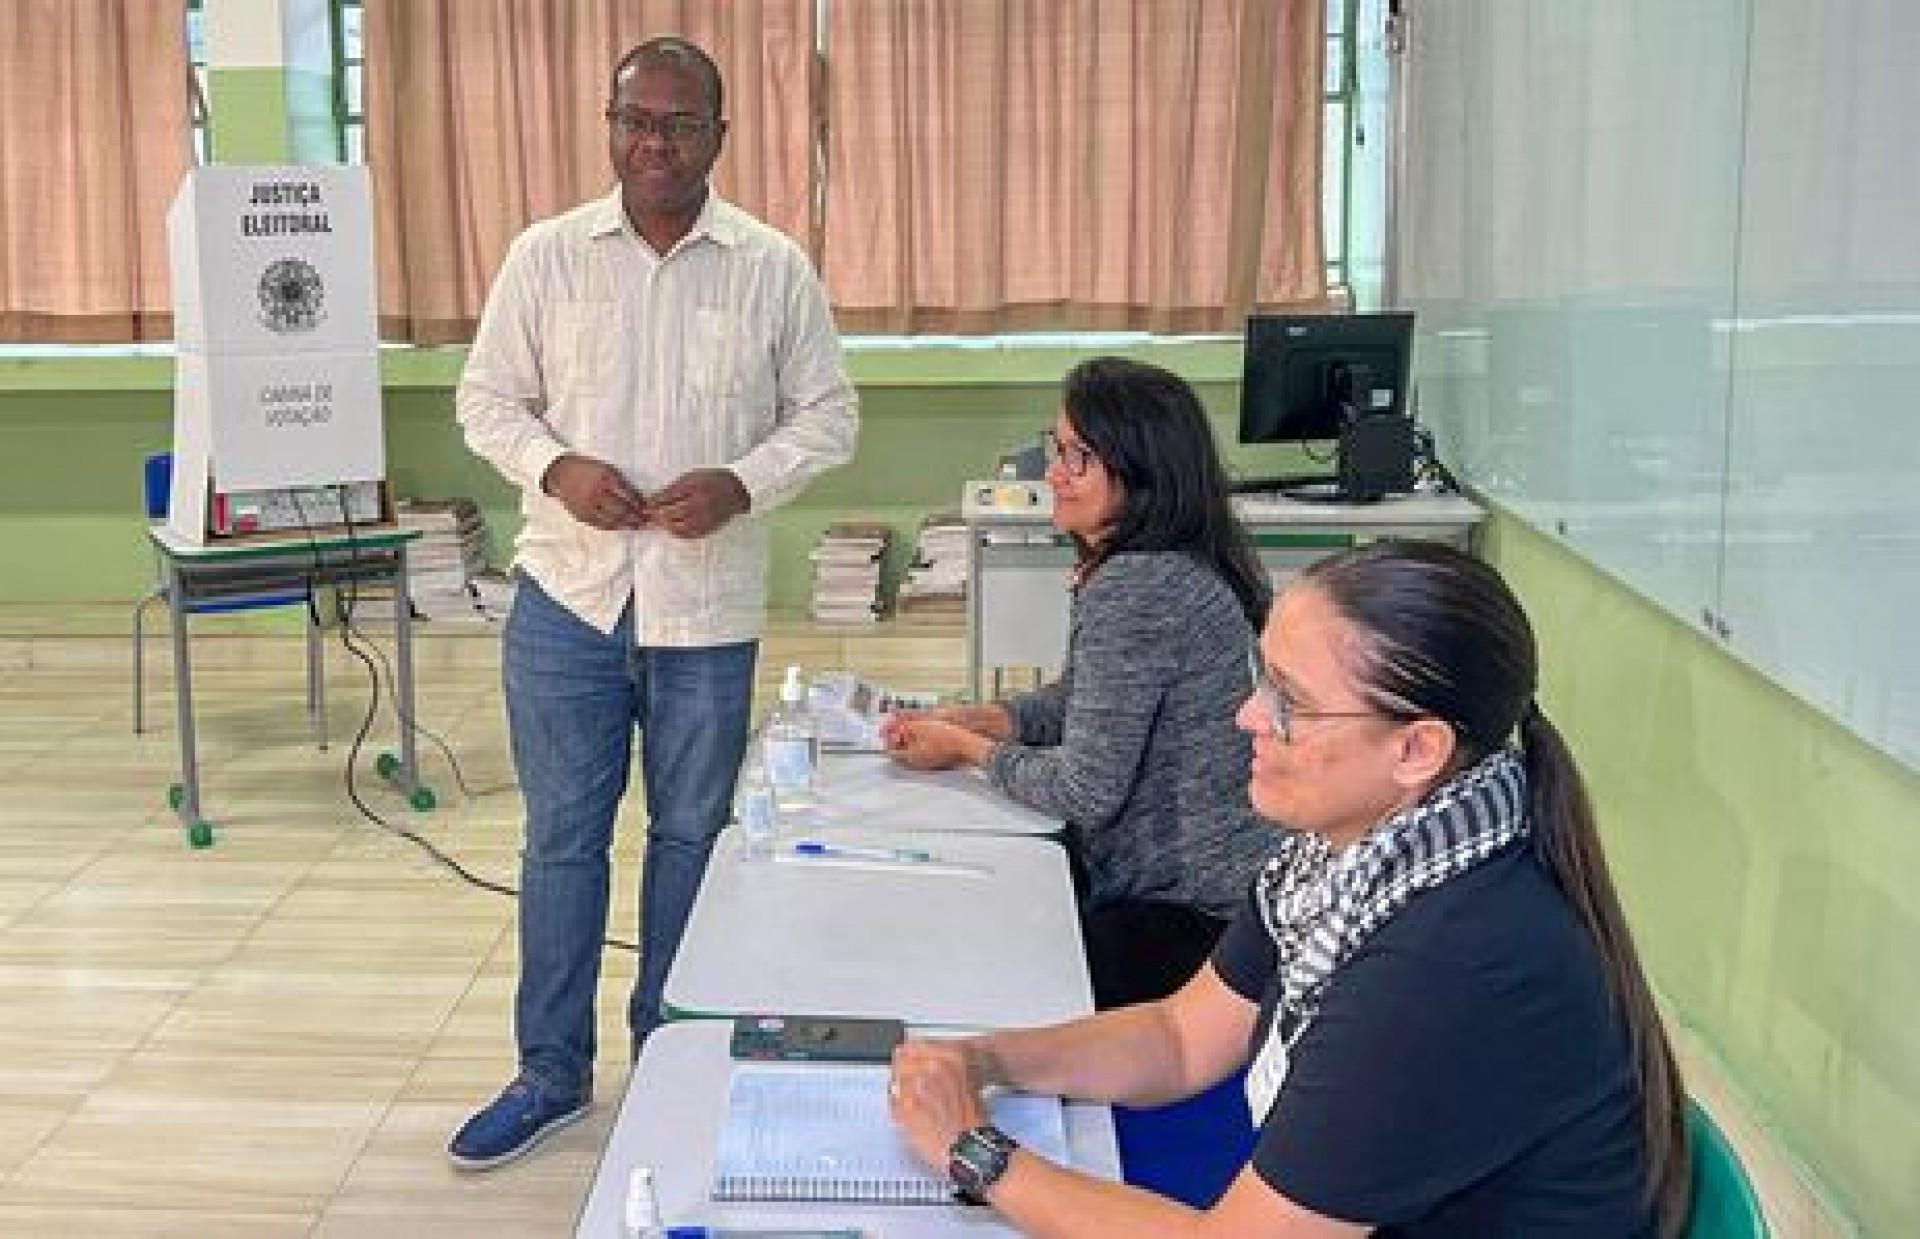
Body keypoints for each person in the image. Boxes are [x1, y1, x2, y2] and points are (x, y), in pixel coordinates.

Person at [887, 540, 1693, 1238]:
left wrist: (976, 1151)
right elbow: (1179, 1036)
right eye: (1259, 678)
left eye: (1291, 702)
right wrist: (983, 1056)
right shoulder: (1350, 853)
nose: (1246, 716)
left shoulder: (1450, 960)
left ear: (1417, 749)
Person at [448, 36, 857, 1170]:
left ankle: (669, 1056)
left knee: (688, 840)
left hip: (705, 614)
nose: (654, 143)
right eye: (635, 120)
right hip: (568, 604)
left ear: (720, 136)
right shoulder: (547, 256)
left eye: (679, 124)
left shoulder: (773, 267)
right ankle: (550, 1072)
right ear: (608, 124)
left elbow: (828, 416)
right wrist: (555, 468)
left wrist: (745, 481)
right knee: (563, 843)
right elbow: (486, 401)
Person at [881, 357, 1277, 1009]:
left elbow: (1085, 790)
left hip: (1190, 917)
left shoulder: (1140, 586)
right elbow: (1078, 701)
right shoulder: (1159, 563)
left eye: (1079, 458)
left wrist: (964, 750)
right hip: (1199, 894)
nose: (1054, 475)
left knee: (974, 973)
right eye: (1056, 450)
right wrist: (992, 718)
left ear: (1140, 471)